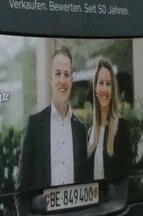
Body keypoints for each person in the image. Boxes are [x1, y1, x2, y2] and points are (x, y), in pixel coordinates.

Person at [18, 46, 91, 192]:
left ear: (72, 79)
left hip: (75, 215)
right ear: (51, 78)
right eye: (58, 74)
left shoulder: (80, 129)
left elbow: (85, 183)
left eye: (66, 74)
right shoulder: (35, 125)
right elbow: (22, 188)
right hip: (45, 215)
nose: (62, 80)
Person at [87, 59, 133, 181]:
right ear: (95, 89)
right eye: (101, 83)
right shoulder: (89, 134)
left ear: (113, 90)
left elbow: (127, 177)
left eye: (108, 84)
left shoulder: (121, 128)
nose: (104, 89)